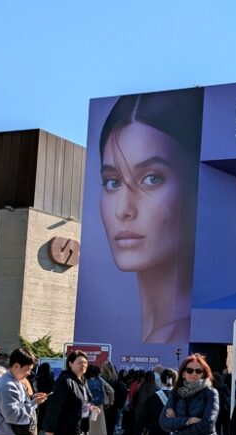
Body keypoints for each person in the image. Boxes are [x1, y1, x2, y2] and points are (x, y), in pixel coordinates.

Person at [97, 89, 203, 343]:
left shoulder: (183, 334)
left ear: (197, 185)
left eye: (152, 178)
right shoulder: (159, 336)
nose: (123, 210)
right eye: (112, 182)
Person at [82, 364, 114, 435]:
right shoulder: (100, 380)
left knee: (84, 428)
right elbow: (111, 391)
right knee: (95, 430)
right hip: (97, 407)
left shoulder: (83, 380)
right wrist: (110, 402)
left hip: (85, 406)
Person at [96, 361, 126, 435]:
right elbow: (122, 394)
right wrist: (118, 406)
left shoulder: (101, 380)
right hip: (114, 408)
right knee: (110, 429)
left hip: (103, 407)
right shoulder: (117, 381)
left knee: (101, 427)